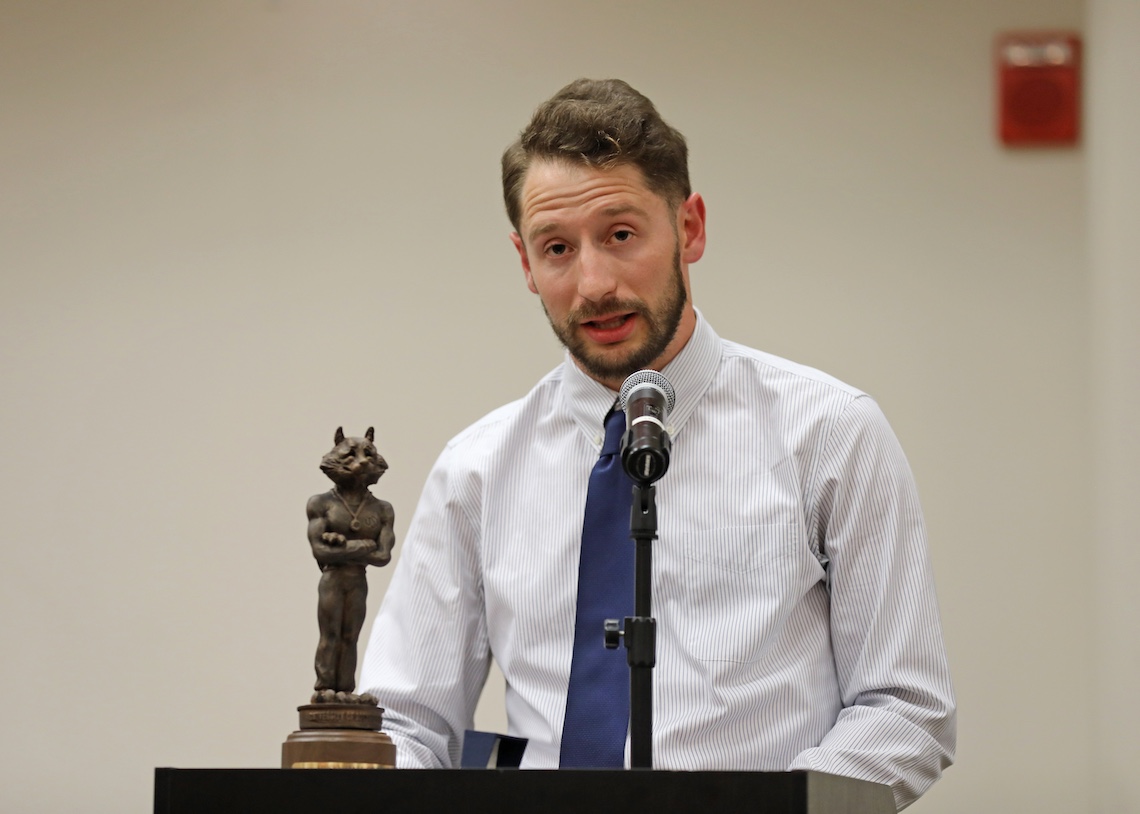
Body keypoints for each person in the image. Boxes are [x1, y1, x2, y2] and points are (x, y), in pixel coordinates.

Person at [359, 78, 955, 809]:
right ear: (524, 263)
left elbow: (903, 709)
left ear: (690, 227)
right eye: (556, 248)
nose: (594, 284)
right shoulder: (477, 470)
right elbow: (404, 721)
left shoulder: (829, 434)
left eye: (621, 234)